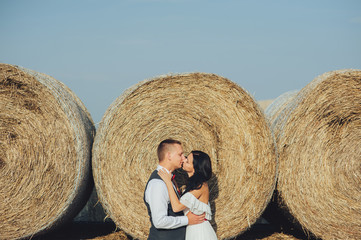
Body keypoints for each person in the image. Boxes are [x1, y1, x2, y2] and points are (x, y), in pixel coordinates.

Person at [144, 139, 205, 240]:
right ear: (169, 156)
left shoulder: (170, 179)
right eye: (180, 154)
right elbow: (159, 221)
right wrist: (187, 220)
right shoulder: (158, 184)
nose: (183, 158)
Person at [158, 150, 218, 240]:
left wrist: (168, 182)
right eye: (186, 157)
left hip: (200, 232)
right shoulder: (193, 185)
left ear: (195, 167)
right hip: (193, 229)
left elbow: (177, 207)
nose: (184, 160)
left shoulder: (201, 186)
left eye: (188, 161)